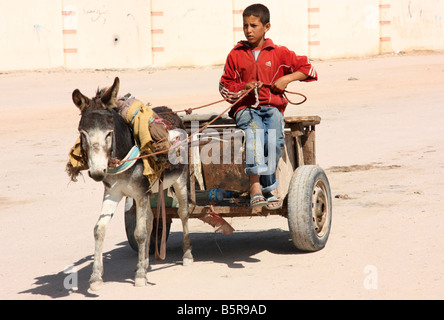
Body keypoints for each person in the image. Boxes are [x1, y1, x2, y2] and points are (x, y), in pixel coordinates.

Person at [219, 3, 318, 209]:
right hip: (245, 109)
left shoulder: (279, 53)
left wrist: (286, 79)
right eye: (245, 25)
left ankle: (268, 186)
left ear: (267, 27)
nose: (248, 30)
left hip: (272, 108)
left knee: (273, 140)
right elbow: (225, 87)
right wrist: (243, 87)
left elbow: (310, 69)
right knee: (254, 134)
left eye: (253, 25)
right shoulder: (236, 54)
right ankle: (255, 186)